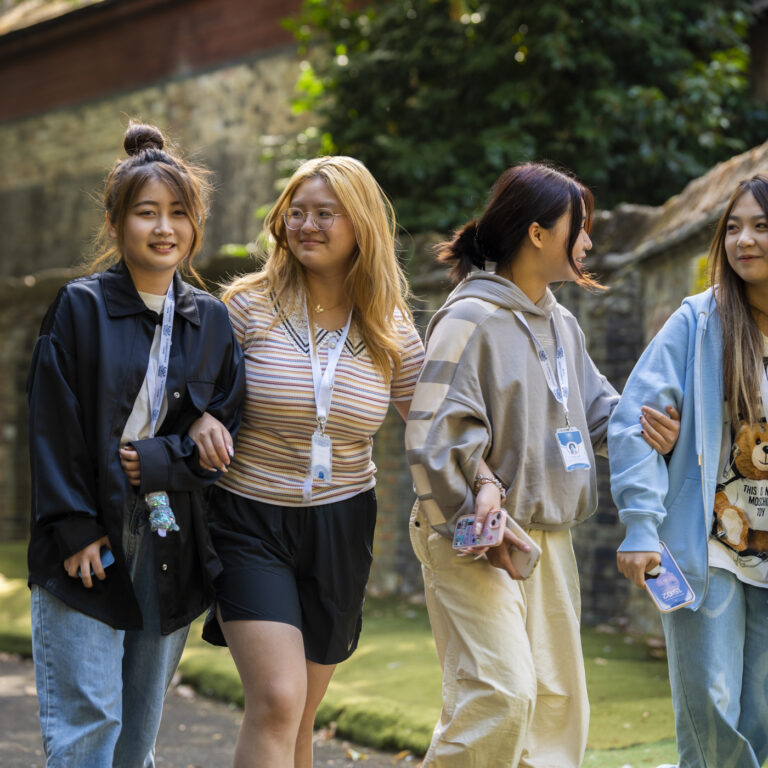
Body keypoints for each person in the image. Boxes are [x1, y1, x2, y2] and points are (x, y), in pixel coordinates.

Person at [405, 162, 680, 768]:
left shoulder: (563, 323)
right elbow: (432, 435)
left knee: (555, 715)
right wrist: (471, 512)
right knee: (499, 696)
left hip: (550, 539)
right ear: (537, 234)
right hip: (475, 539)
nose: (587, 242)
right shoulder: (466, 319)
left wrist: (654, 428)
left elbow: (601, 415)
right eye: (578, 227)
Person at [188, 155, 425, 768]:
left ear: (361, 226)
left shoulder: (390, 324)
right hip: (247, 520)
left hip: (342, 524)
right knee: (276, 699)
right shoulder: (244, 308)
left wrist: (481, 483)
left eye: (325, 213)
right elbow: (189, 395)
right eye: (297, 213)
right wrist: (201, 416)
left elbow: (433, 424)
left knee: (300, 719)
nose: (306, 225)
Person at [27, 123, 244, 768]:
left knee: (136, 733)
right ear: (117, 221)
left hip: (170, 540)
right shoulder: (80, 308)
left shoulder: (211, 320)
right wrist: (72, 526)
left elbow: (226, 428)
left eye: (179, 213)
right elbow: (52, 422)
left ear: (196, 223)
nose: (164, 228)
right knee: (89, 723)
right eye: (147, 213)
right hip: (89, 536)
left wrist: (186, 441)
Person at [609, 174, 768, 768]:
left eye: (760, 226)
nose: (743, 240)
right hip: (708, 551)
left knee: (761, 712)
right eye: (732, 228)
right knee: (709, 705)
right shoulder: (699, 323)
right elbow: (633, 422)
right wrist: (641, 525)